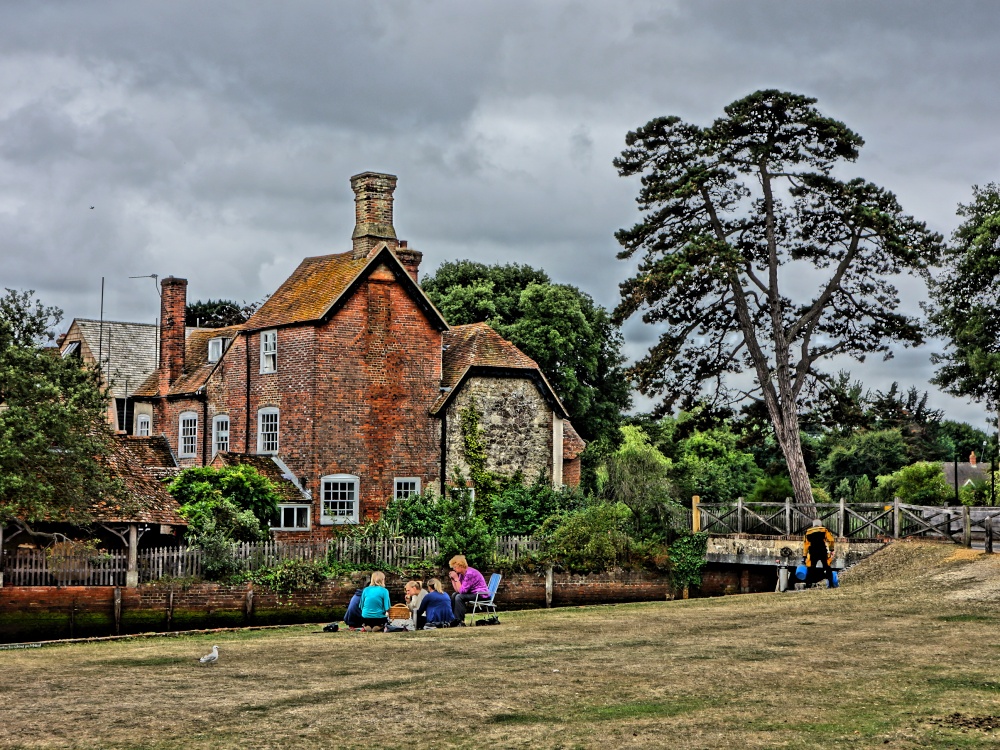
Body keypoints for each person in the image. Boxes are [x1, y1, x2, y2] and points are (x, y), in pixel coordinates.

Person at [448, 554, 490, 624]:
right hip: (473, 593)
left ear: (461, 566)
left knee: (459, 597)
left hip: (481, 594)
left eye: (455, 567)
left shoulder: (470, 574)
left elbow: (462, 591)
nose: (453, 569)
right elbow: (458, 590)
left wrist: (456, 578)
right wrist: (453, 579)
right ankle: (453, 618)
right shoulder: (462, 574)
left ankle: (459, 620)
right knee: (454, 594)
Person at [803, 519, 837, 588]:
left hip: (813, 551)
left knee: (811, 568)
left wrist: (804, 555)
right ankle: (831, 584)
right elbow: (831, 540)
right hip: (822, 550)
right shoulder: (824, 530)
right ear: (820, 524)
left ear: (813, 525)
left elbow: (806, 545)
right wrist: (831, 549)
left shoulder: (807, 532)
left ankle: (808, 584)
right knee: (827, 567)